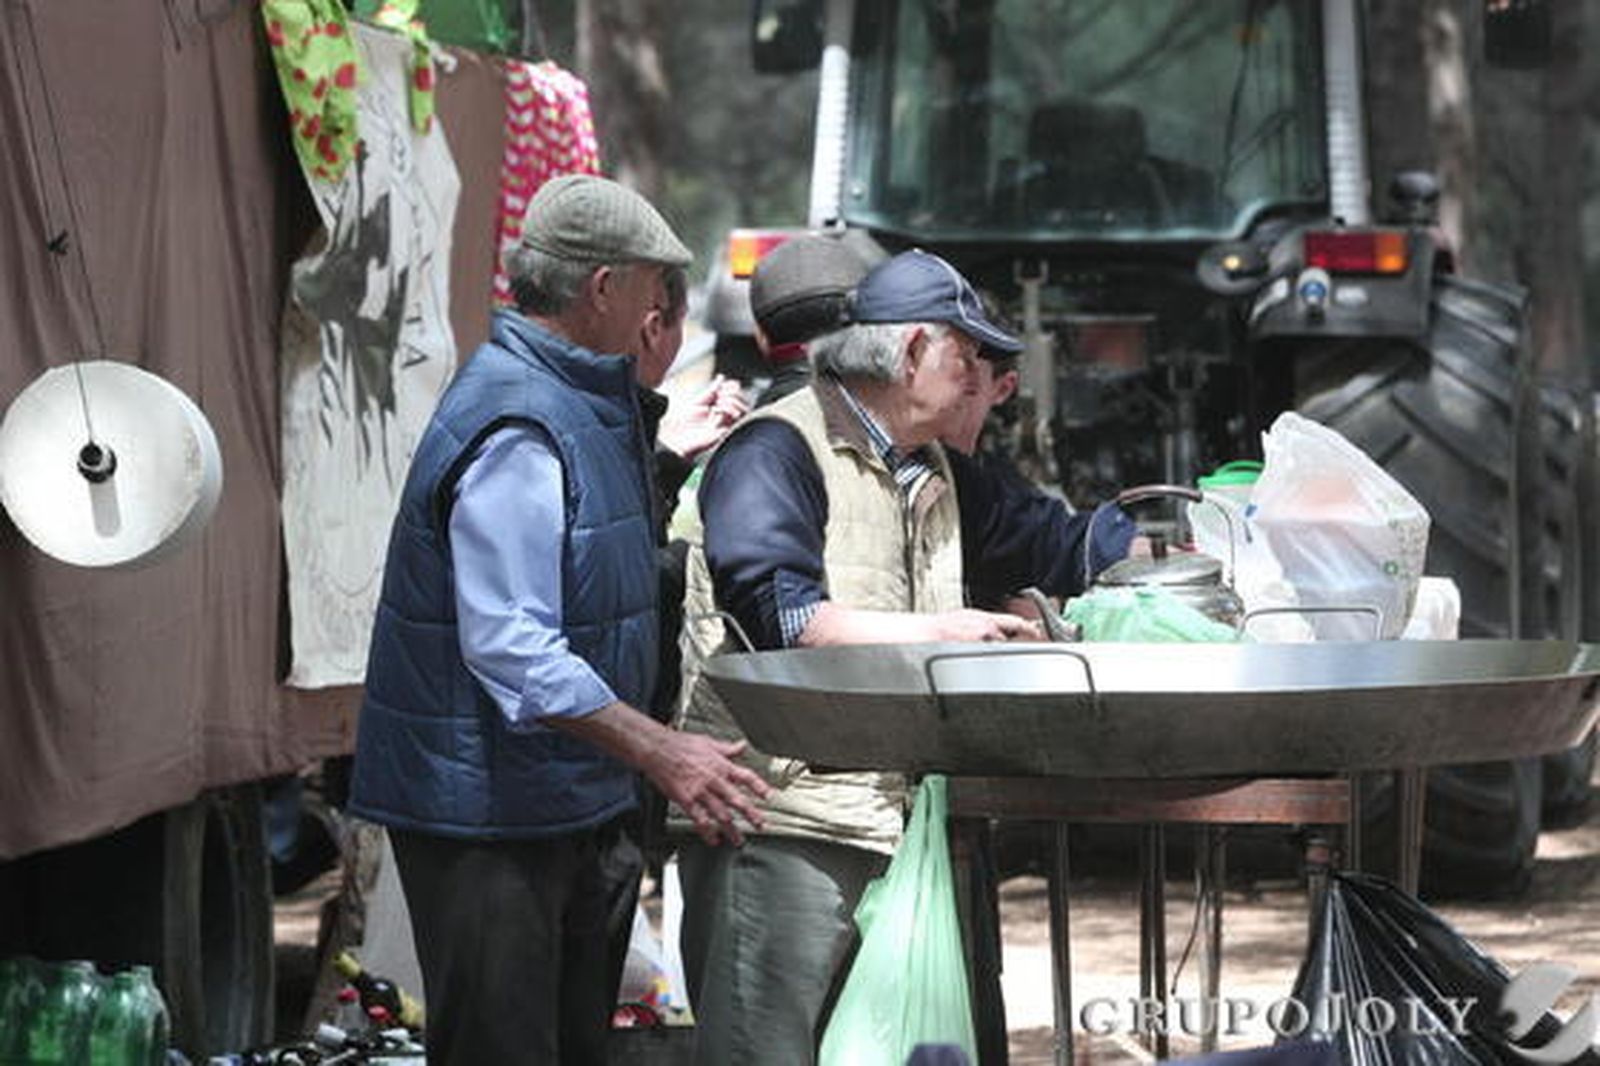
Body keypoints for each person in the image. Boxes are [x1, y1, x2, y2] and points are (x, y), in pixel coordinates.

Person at [347, 174, 769, 1066]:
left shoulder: (579, 402)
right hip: (490, 822)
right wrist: (663, 751)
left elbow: (586, 553)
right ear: (602, 290)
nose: (664, 319)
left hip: (570, 803)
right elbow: (513, 648)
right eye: (656, 294)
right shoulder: (518, 421)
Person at [674, 249, 1135, 1064]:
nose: (987, 379)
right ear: (913, 350)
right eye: (971, 355)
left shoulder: (936, 468)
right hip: (784, 822)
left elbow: (1053, 542)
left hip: (895, 817)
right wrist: (946, 633)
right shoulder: (773, 450)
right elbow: (781, 617)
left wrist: (1175, 547)